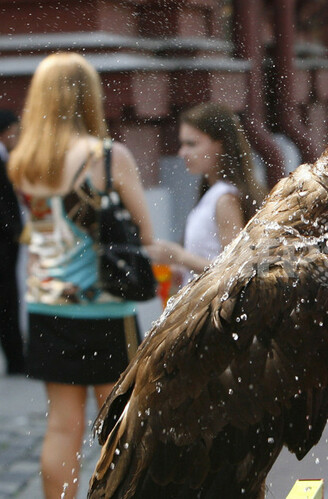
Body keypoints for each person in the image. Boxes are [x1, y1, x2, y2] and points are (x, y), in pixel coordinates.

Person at [7, 52, 154, 499]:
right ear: (87, 97)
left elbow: (37, 234)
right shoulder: (107, 158)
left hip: (46, 306)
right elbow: (143, 234)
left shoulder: (24, 162)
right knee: (118, 427)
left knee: (61, 426)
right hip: (106, 308)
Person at [148, 103, 266, 284]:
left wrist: (180, 257)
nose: (182, 153)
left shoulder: (225, 199)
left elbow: (236, 270)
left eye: (191, 144)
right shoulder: (214, 194)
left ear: (220, 144)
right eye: (182, 144)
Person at [0, 109, 25, 375]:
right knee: (7, 301)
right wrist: (15, 229)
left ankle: (16, 356)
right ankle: (16, 359)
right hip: (3, 246)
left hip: (6, 244)